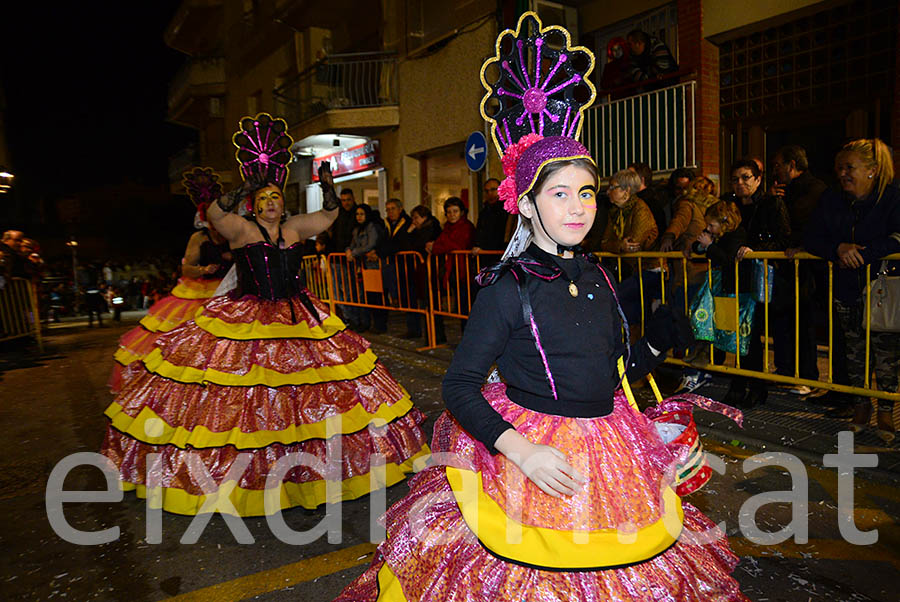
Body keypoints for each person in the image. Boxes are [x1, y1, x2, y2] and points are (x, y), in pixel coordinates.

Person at [336, 14, 746, 600]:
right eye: (559, 193)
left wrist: (653, 346)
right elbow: (460, 387)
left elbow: (612, 380)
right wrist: (520, 449)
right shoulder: (509, 287)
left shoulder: (602, 278)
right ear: (526, 206)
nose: (578, 207)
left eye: (585, 192)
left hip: (609, 451)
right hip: (535, 455)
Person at [100, 114, 428, 515]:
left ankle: (311, 473)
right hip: (249, 316)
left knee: (310, 393)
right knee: (248, 395)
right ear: (255, 205)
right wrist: (246, 186)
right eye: (264, 199)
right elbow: (217, 215)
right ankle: (255, 477)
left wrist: (328, 188)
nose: (272, 203)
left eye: (276, 197)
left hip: (298, 315)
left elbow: (328, 218)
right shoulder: (243, 230)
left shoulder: (293, 229)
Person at [804, 138, 900, 441]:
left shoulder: (893, 197)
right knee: (854, 353)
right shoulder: (832, 199)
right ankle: (860, 408)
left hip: (884, 290)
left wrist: (865, 253)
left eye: (850, 167)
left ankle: (886, 413)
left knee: (886, 356)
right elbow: (811, 237)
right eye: (839, 168)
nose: (842, 173)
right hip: (846, 289)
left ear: (872, 170)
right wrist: (838, 248)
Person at [108, 168, 233, 393]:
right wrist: (203, 268)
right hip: (200, 292)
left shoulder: (234, 233)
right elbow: (186, 267)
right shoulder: (199, 237)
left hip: (228, 288)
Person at [724, 159, 791, 407]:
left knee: (753, 335)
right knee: (741, 334)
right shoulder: (730, 206)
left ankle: (755, 386)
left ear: (758, 179)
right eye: (735, 179)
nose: (740, 183)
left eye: (746, 178)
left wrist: (756, 250)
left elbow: (783, 239)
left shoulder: (771, 204)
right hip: (736, 277)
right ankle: (741, 383)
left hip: (762, 278)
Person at [770, 145, 826, 393]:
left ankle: (807, 376)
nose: (776, 171)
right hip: (787, 271)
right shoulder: (786, 192)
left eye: (778, 165)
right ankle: (786, 371)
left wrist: (798, 243)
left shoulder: (812, 191)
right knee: (784, 322)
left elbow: (807, 226)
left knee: (802, 324)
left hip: (807, 272)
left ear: (792, 166)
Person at [428, 196, 476, 344]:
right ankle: (466, 340)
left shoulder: (466, 226)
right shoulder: (447, 228)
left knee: (468, 307)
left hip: (466, 271)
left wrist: (436, 246)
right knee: (461, 308)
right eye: (448, 212)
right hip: (454, 271)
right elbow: (444, 243)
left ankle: (471, 341)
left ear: (461, 212)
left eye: (455, 211)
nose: (452, 214)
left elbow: (454, 244)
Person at [601, 169, 658, 283]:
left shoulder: (641, 210)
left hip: (646, 270)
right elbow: (604, 243)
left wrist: (617, 246)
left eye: (612, 187)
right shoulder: (615, 212)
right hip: (626, 271)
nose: (608, 192)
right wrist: (620, 246)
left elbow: (633, 245)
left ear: (626, 191)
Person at [404, 204, 441, 339]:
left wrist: (410, 233)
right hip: (421, 268)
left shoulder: (430, 229)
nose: (413, 221)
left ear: (424, 217)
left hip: (429, 268)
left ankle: (434, 336)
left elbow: (415, 245)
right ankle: (430, 335)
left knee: (430, 302)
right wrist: (409, 232)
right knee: (426, 302)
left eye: (416, 218)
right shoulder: (420, 229)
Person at [344, 203, 383, 333]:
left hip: (372, 265)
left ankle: (379, 324)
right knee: (363, 296)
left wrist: (354, 252)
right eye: (357, 214)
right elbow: (352, 244)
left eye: (362, 214)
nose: (359, 217)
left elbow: (371, 244)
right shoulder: (356, 230)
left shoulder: (371, 227)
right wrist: (348, 250)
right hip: (361, 266)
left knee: (374, 296)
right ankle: (365, 323)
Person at [628, 161, 667, 233]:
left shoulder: (651, 204)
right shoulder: (631, 201)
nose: (626, 180)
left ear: (642, 180)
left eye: (631, 176)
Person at [472, 178, 508, 253]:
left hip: (500, 254)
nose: (490, 193)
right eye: (486, 191)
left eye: (493, 190)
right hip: (486, 255)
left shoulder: (508, 210)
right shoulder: (484, 212)